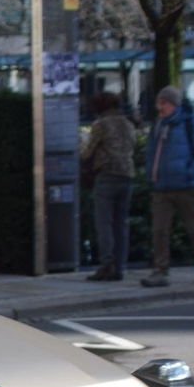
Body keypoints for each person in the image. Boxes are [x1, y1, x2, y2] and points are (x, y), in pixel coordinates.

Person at [138, 85, 194, 287]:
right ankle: (160, 270)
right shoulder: (158, 124)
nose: (160, 107)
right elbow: (151, 152)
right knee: (159, 230)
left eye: (164, 103)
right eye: (159, 102)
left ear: (174, 104)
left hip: (186, 187)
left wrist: (190, 173)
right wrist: (151, 174)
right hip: (162, 186)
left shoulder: (189, 124)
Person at [80, 91, 135, 281]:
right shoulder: (128, 124)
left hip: (106, 175)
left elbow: (88, 152)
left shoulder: (101, 125)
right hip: (127, 175)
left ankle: (106, 266)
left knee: (104, 224)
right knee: (121, 223)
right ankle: (120, 267)